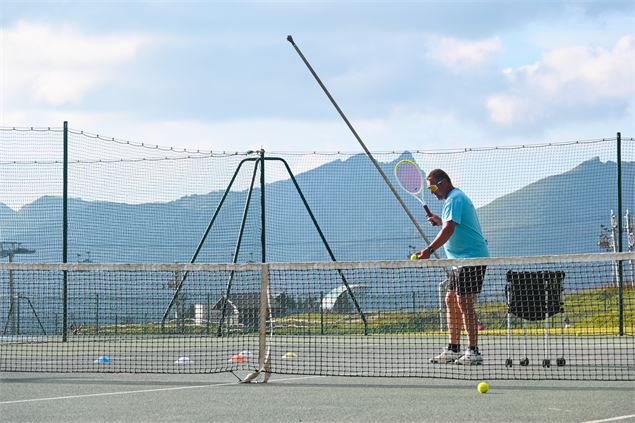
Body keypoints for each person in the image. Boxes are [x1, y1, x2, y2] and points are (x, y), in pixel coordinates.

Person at [412, 169, 489, 365]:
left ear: (443, 182)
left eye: (432, 186)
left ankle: (473, 351)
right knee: (451, 300)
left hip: (471, 259)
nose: (430, 191)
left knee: (464, 302)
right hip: (459, 262)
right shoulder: (452, 200)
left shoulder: (455, 198)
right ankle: (453, 348)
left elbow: (449, 229)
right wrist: (440, 221)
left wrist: (429, 250)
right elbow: (449, 226)